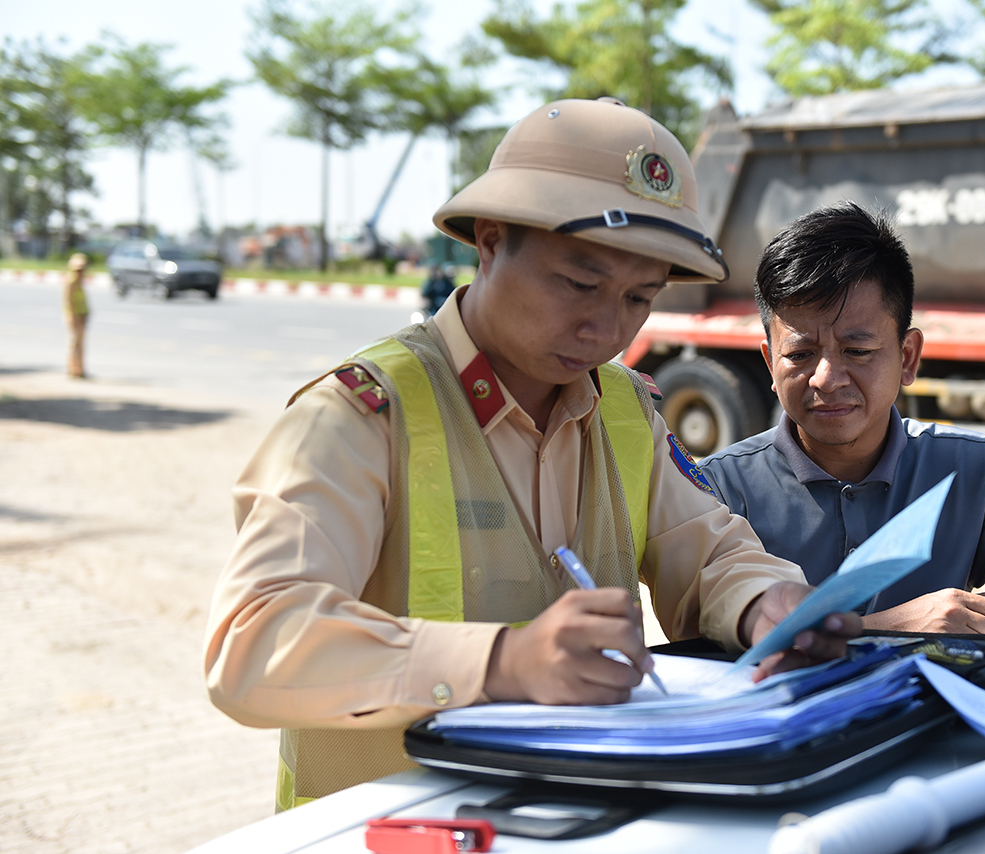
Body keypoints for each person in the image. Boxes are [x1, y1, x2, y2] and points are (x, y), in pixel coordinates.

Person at [204, 98, 862, 811]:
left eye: (639, 298)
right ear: (489, 241)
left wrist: (766, 603)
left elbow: (707, 552)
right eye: (579, 284)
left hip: (574, 819)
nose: (606, 325)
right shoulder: (362, 418)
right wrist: (504, 661)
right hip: (394, 828)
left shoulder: (624, 409)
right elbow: (252, 645)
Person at [700, 202, 985, 643]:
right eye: (800, 354)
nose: (826, 378)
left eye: (857, 351)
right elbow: (700, 631)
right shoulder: (721, 489)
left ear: (907, 357)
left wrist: (954, 616)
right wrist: (894, 627)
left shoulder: (974, 469)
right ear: (770, 363)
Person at [64, 253, 90, 378]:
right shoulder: (71, 281)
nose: (81, 272)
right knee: (74, 343)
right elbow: (68, 302)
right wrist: (74, 317)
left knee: (80, 344)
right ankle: (73, 369)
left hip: (82, 314)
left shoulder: (79, 281)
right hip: (75, 316)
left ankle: (80, 369)